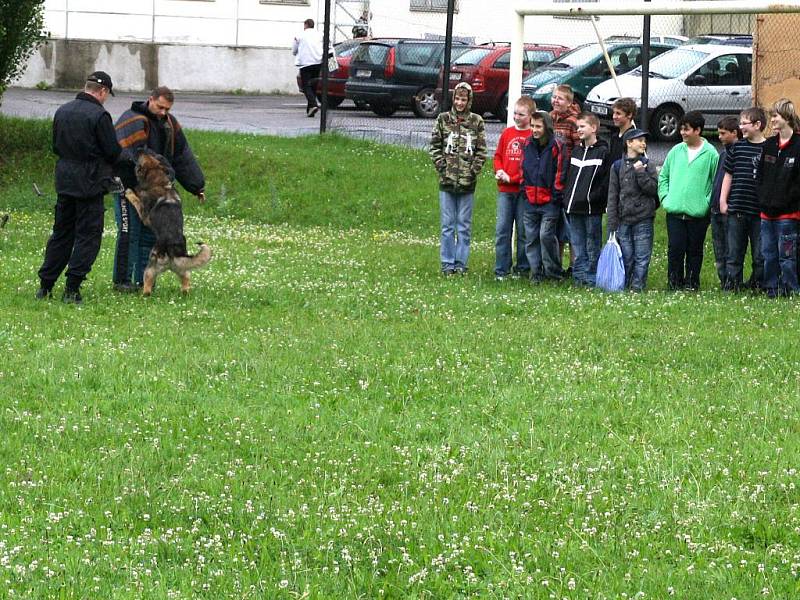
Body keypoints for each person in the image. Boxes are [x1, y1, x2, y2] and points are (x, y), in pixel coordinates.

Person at [35, 71, 122, 304]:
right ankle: (72, 288)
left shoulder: (62, 111)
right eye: (107, 95)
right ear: (102, 91)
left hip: (64, 180)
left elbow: (55, 146)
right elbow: (113, 152)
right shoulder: (99, 116)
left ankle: (45, 285)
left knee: (61, 233)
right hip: (90, 183)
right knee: (87, 236)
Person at [113, 86, 206, 292]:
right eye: (161, 107)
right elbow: (126, 153)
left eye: (167, 109)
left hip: (154, 192)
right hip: (128, 187)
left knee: (149, 235)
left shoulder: (170, 124)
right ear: (151, 99)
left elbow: (182, 155)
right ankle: (122, 281)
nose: (164, 112)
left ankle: (143, 281)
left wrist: (196, 185)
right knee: (130, 233)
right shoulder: (133, 120)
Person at [429, 82, 487, 275]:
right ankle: (447, 262)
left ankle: (461, 262)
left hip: (467, 183)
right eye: (457, 98)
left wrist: (472, 171)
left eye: (464, 99)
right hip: (447, 181)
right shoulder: (443, 119)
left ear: (469, 100)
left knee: (464, 225)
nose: (460, 102)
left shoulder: (476, 121)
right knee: (447, 225)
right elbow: (435, 146)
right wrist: (442, 167)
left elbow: (481, 150)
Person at [658, 111, 719, 290]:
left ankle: (692, 283)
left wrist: (706, 203)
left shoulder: (711, 154)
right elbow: (664, 177)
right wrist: (665, 198)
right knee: (675, 249)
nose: (683, 133)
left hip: (698, 213)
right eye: (682, 129)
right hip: (675, 211)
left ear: (698, 130)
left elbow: (715, 182)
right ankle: (674, 283)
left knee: (695, 251)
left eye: (687, 129)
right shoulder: (676, 151)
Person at [757, 98, 800, 298]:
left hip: (788, 214)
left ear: (787, 117)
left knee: (787, 256)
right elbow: (761, 176)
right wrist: (763, 199)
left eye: (775, 116)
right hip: (766, 213)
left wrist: (787, 201)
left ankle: (791, 289)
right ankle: (772, 290)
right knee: (769, 254)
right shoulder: (768, 145)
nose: (772, 120)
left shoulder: (797, 146)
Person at [607, 128, 659, 292]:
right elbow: (613, 195)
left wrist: (641, 172)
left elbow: (653, 189)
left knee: (642, 256)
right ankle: (625, 283)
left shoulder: (647, 164)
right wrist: (612, 222)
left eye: (645, 141)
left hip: (643, 218)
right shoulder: (617, 166)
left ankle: (637, 287)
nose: (644, 143)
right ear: (629, 143)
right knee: (626, 256)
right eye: (639, 140)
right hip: (623, 219)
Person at [719, 108, 766, 292]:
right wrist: (723, 200)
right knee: (734, 254)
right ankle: (732, 286)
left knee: (759, 254)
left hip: (759, 210)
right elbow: (728, 175)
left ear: (757, 125)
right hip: (737, 208)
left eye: (744, 123)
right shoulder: (737, 147)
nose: (741, 127)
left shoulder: (768, 148)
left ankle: (757, 285)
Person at [563, 112, 609, 287]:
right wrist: (567, 199)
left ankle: (591, 279)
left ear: (594, 128)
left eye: (582, 126)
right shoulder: (576, 151)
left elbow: (604, 181)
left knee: (592, 245)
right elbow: (570, 177)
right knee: (577, 245)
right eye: (577, 127)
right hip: (574, 207)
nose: (578, 130)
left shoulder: (603, 152)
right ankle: (579, 277)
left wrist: (594, 198)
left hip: (591, 209)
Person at [522, 111, 567, 283]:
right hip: (530, 199)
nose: (534, 129)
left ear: (546, 127)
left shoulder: (557, 145)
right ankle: (536, 273)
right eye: (532, 125)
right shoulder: (527, 144)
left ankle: (553, 272)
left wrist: (556, 195)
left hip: (549, 201)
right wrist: (524, 189)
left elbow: (560, 172)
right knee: (531, 238)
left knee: (545, 236)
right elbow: (522, 167)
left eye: (538, 126)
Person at [493, 96, 535, 280]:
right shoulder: (507, 133)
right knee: (502, 230)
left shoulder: (532, 137)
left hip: (522, 190)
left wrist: (513, 178)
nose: (517, 117)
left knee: (523, 231)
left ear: (531, 116)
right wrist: (500, 170)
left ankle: (523, 268)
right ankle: (501, 269)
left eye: (521, 114)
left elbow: (531, 166)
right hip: (505, 190)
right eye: (515, 113)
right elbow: (498, 156)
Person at [549, 84, 580, 275]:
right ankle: (556, 263)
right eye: (554, 97)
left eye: (560, 98)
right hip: (552, 177)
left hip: (568, 178)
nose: (555, 101)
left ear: (569, 102)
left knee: (571, 224)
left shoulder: (573, 122)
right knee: (556, 224)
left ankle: (574, 264)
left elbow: (577, 147)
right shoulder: (550, 119)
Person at [710, 116, 741, 288]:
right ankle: (724, 281)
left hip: (729, 208)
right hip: (715, 207)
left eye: (723, 133)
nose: (720, 137)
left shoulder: (738, 152)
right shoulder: (722, 154)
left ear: (734, 133)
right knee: (719, 249)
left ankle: (732, 282)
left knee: (731, 249)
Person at [293, 19, 323, 117]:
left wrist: (296, 52)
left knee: (306, 85)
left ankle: (313, 104)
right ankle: (310, 110)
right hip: (318, 62)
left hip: (305, 64)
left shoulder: (300, 35)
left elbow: (294, 49)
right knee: (313, 85)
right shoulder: (320, 35)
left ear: (306, 25)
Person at [606, 97, 637, 167]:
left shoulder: (634, 138)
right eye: (614, 113)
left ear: (629, 115)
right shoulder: (614, 137)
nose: (614, 116)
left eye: (618, 113)